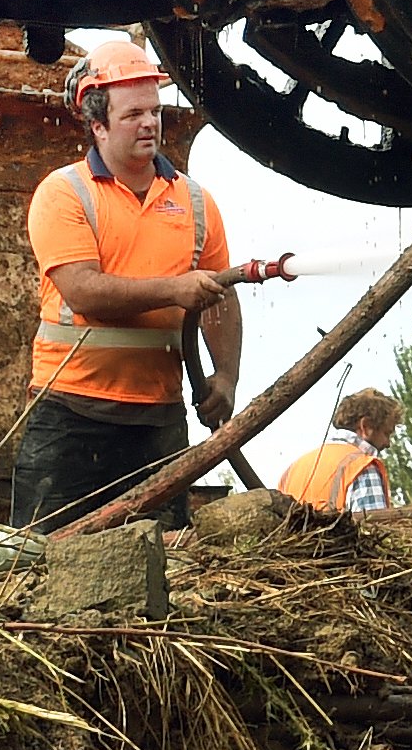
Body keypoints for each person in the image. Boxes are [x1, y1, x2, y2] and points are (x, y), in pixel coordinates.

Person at [16, 35, 271, 532]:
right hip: (71, 415)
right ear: (98, 125)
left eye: (154, 111)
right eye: (133, 114)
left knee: (161, 568)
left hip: (158, 420)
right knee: (42, 564)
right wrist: (174, 289)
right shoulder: (63, 194)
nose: (150, 123)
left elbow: (221, 295)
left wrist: (227, 376)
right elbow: (84, 291)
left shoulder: (195, 202)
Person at [285, 390, 402, 515]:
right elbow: (373, 529)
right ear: (366, 426)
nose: (388, 443)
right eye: (386, 433)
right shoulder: (361, 466)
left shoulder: (292, 470)